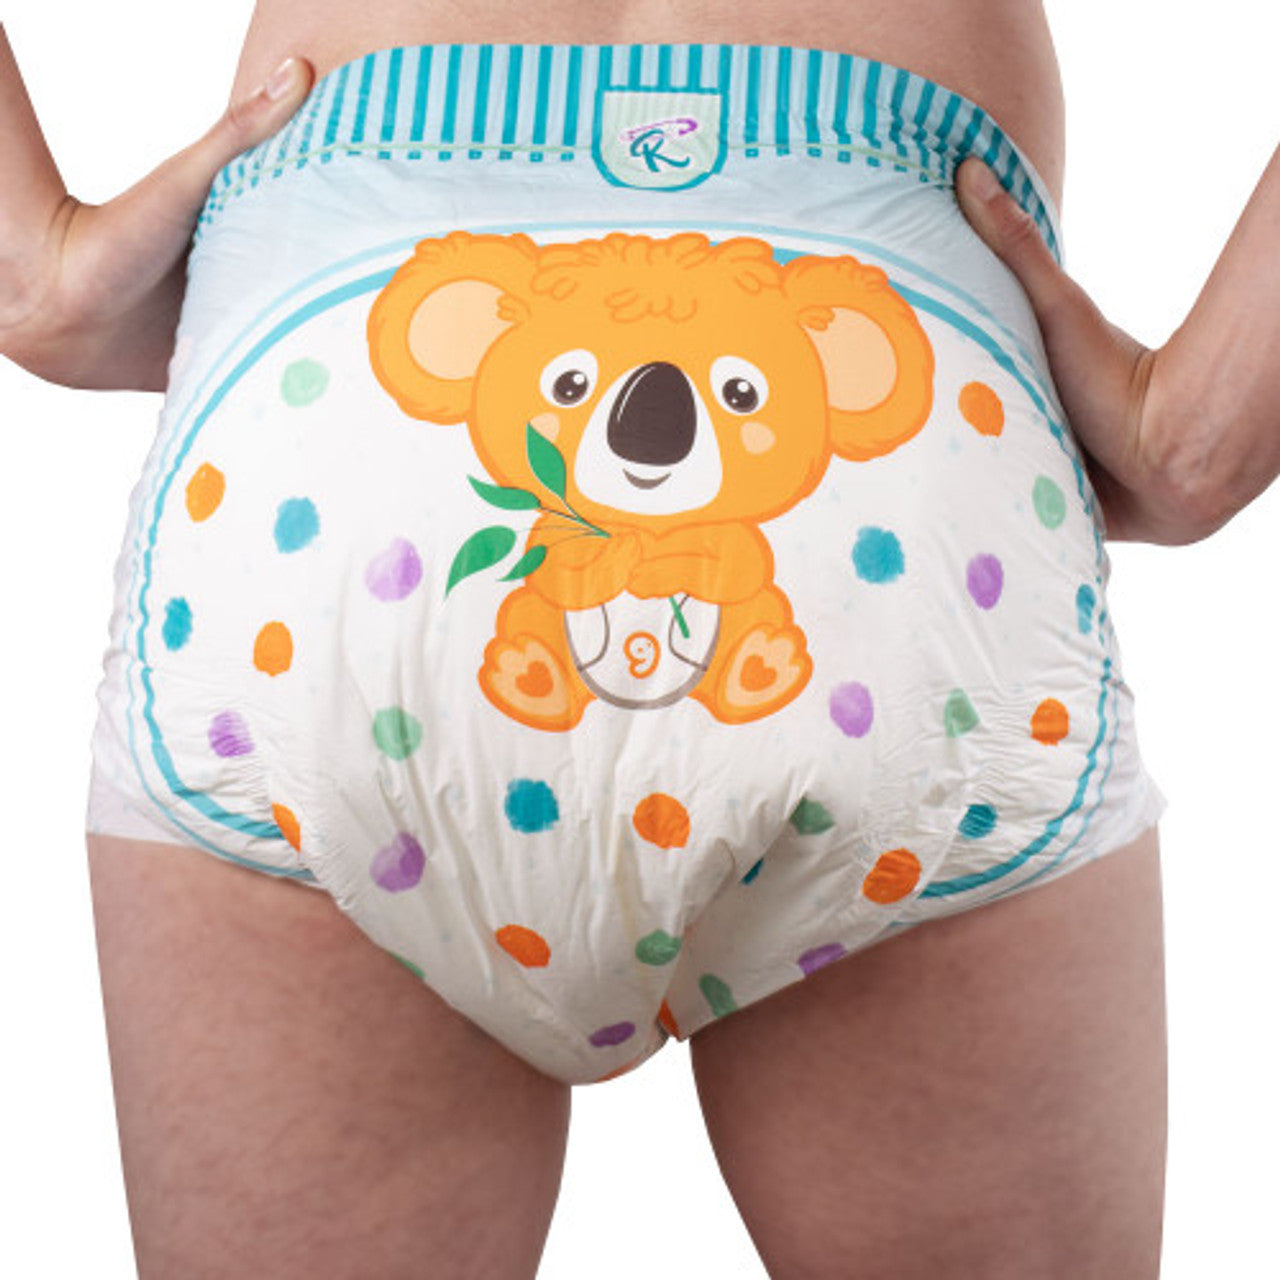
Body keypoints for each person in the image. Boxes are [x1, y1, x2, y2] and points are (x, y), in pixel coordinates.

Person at [2, 4, 1276, 1277]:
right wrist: (1203, 429)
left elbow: (38, 286)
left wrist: (29, 268)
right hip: (874, 361)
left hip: (343, 398)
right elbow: (1191, 449)